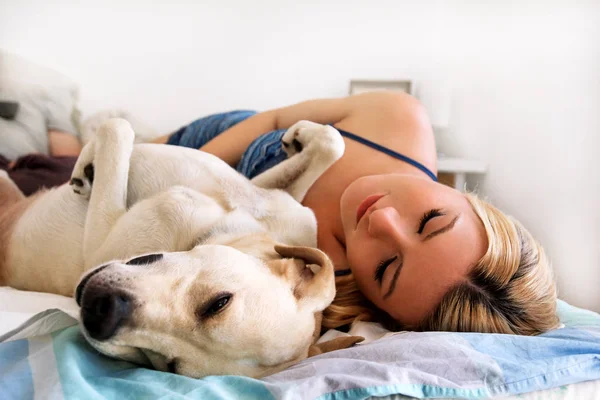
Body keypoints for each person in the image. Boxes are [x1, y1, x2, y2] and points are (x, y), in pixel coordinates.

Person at [154, 91, 559, 336]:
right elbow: (276, 119)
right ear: (470, 201)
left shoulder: (312, 284)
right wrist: (170, 165)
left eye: (386, 268)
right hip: (212, 141)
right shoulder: (399, 120)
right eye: (432, 220)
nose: (381, 221)